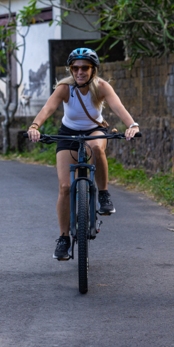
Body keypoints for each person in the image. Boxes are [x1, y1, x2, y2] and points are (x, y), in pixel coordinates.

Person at [27, 48, 140, 260]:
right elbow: (48, 108)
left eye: (85, 68)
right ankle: (63, 238)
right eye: (75, 68)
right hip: (68, 133)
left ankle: (104, 194)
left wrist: (132, 125)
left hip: (93, 130)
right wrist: (35, 126)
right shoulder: (65, 88)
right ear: (71, 69)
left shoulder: (102, 87)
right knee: (64, 187)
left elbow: (119, 108)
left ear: (93, 70)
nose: (80, 72)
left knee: (97, 147)